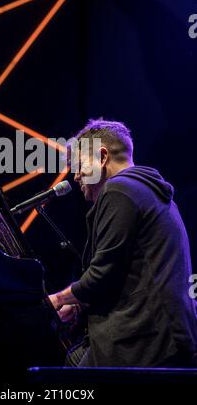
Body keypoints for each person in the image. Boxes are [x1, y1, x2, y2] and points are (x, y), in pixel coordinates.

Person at [49, 118, 197, 367]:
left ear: (102, 156)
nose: (75, 177)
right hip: (168, 332)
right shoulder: (149, 191)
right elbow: (129, 273)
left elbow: (101, 274)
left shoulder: (119, 189)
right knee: (74, 362)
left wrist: (59, 299)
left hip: (144, 339)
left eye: (79, 165)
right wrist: (79, 301)